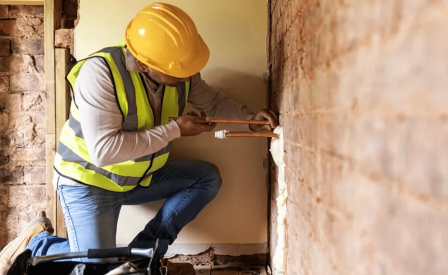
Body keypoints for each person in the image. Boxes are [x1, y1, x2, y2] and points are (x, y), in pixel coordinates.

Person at [0, 2, 277, 271]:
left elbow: (214, 103)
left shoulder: (179, 71)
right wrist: (177, 129)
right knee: (96, 267)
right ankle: (37, 244)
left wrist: (251, 121)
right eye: (179, 68)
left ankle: (141, 258)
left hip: (137, 178)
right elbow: (105, 151)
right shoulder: (99, 73)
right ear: (144, 65)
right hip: (89, 182)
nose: (189, 73)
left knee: (206, 178)